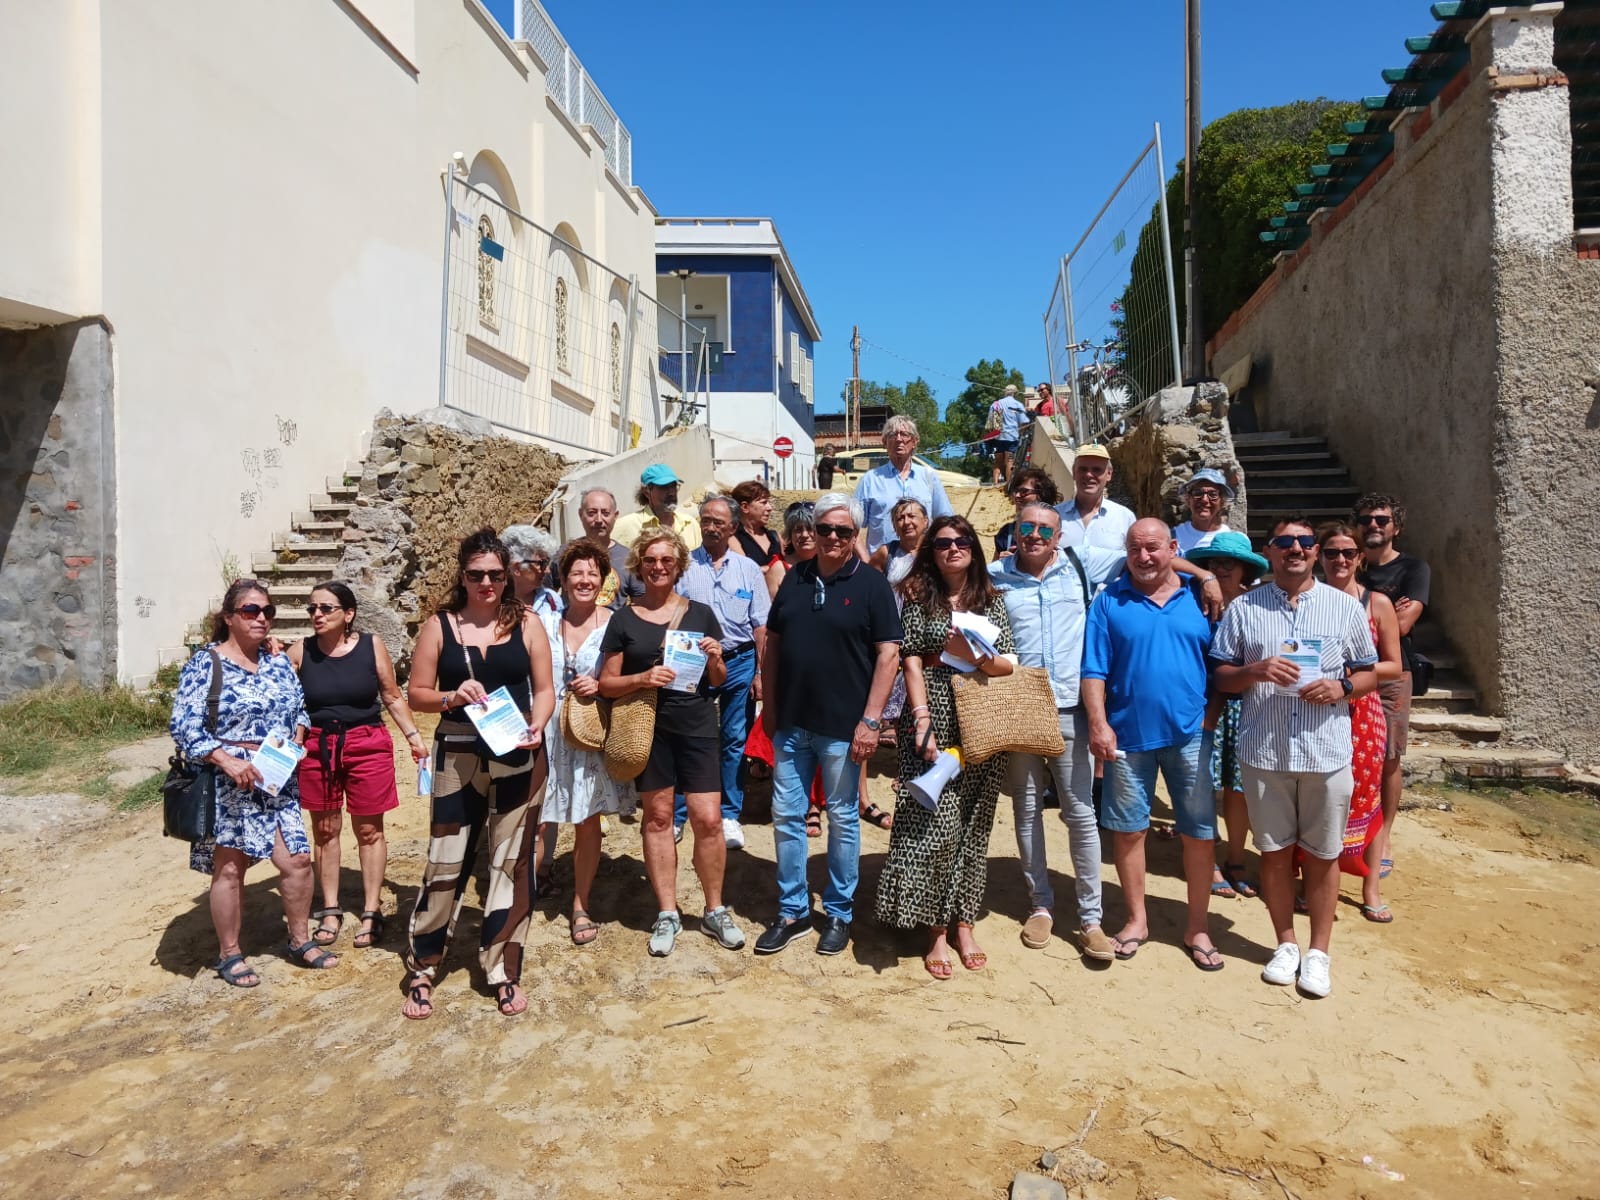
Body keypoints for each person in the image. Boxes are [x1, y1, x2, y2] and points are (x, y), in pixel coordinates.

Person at [1211, 516, 1380, 999]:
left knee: (1324, 855)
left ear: (1315, 551)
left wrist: (1342, 686)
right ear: (1270, 550)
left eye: (1306, 542)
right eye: (1285, 542)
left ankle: (1319, 952)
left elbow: (1370, 672)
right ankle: (1285, 943)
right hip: (1265, 751)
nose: (1296, 549)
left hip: (1326, 750)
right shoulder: (1245, 608)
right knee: (1275, 852)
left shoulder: (1343, 608)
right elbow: (1222, 676)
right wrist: (1255, 670)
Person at [401, 529, 556, 1019]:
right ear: (462, 576)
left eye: (495, 573)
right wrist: (451, 696)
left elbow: (546, 688)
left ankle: (502, 969)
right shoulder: (440, 626)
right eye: (476, 574)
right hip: (458, 753)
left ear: (508, 575)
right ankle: (424, 965)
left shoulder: (528, 622)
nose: (486, 582)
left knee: (511, 862)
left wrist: (539, 723)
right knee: (445, 860)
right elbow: (417, 694)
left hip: (517, 751)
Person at [757, 494, 903, 958]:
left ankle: (839, 911)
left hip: (845, 728)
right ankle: (793, 910)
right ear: (812, 532)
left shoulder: (872, 585)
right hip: (793, 723)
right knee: (786, 815)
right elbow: (774, 644)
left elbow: (889, 655)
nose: (833, 538)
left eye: (844, 531)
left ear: (856, 535)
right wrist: (772, 706)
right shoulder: (795, 579)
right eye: (825, 530)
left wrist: (871, 720)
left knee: (841, 817)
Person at [170, 579, 332, 988]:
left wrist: (297, 732)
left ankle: (299, 941)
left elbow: (299, 707)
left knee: (297, 861)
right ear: (229, 618)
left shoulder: (277, 661)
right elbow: (184, 726)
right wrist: (225, 759)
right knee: (230, 869)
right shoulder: (206, 664)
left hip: (277, 779)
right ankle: (230, 953)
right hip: (230, 784)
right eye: (250, 611)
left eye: (267, 611)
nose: (261, 617)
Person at [875, 515, 1016, 979]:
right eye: (941, 543)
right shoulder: (916, 596)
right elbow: (910, 660)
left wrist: (974, 653)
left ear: (973, 549)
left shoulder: (992, 601)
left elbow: (1006, 666)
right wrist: (921, 720)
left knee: (974, 827)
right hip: (932, 717)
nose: (952, 549)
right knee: (936, 826)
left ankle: (964, 922)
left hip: (980, 721)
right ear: (930, 552)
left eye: (960, 541)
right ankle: (935, 929)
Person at [989, 503, 1128, 962]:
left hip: (1070, 705)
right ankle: (1041, 904)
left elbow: (1146, 553)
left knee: (1080, 813)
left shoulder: (1080, 563)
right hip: (1021, 703)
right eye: (1025, 526)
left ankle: (1091, 918)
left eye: (1043, 529)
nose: (1033, 535)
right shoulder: (996, 574)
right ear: (1015, 527)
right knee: (1027, 811)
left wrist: (1206, 579)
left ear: (1058, 534)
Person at [1081, 519, 1222, 971]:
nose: (1144, 557)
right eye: (1135, 549)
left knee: (1198, 834)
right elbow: (1094, 671)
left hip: (1190, 738)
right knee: (1129, 831)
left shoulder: (1200, 600)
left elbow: (1223, 663)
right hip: (1127, 738)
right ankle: (1137, 919)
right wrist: (1099, 726)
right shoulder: (1109, 602)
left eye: (1153, 548)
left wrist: (1209, 719)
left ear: (1173, 548)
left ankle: (1197, 926)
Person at [599, 530, 743, 957]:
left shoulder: (700, 613)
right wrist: (643, 678)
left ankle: (715, 909)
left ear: (679, 565)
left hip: (698, 725)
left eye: (666, 560)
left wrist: (716, 658)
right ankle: (667, 912)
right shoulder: (623, 619)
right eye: (650, 560)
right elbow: (607, 684)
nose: (658, 567)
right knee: (659, 819)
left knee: (709, 820)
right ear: (638, 566)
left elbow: (716, 681)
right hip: (650, 729)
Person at [288, 582, 428, 952]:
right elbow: (277, 694)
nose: (317, 614)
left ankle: (371, 908)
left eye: (326, 608)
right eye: (312, 608)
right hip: (318, 746)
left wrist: (414, 737)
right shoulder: (300, 651)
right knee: (325, 829)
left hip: (366, 743)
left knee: (369, 829)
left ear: (348, 614)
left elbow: (391, 695)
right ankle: (330, 909)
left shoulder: (371, 646)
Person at [540, 541, 632, 947]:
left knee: (586, 818)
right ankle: (532, 884)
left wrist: (601, 684)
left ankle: (580, 903)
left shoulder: (616, 622)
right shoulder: (543, 623)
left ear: (604, 579)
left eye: (592, 573)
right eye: (576, 573)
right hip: (547, 729)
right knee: (538, 817)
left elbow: (627, 675)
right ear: (562, 580)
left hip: (590, 728)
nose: (584, 580)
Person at [1317, 522, 1403, 921]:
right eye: (1331, 552)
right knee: (1316, 795)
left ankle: (1370, 885)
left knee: (1365, 797)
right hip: (1316, 710)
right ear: (1319, 555)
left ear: (1359, 558)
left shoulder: (1377, 603)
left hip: (1361, 712)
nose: (1339, 559)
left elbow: (1393, 664)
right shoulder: (1307, 600)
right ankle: (1312, 881)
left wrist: (1349, 672)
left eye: (1347, 553)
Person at [673, 497, 769, 849]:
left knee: (733, 739)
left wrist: (761, 672)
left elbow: (761, 626)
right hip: (693, 663)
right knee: (688, 739)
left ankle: (729, 814)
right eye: (706, 520)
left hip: (740, 660)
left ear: (732, 528)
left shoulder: (748, 570)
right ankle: (679, 814)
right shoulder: (683, 567)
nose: (711, 527)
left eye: (718, 522)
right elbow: (672, 617)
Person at [1185, 532, 1269, 898]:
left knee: (1239, 789)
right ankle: (1209, 860)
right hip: (1204, 704)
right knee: (1202, 787)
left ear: (1244, 569)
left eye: (1228, 563)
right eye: (1213, 563)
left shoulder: (1259, 605)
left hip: (1249, 705)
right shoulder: (1195, 599)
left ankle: (1236, 857)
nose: (1220, 569)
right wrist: (1203, 579)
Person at [1353, 493, 1430, 882]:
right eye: (1366, 520)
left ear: (1395, 527)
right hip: (1348, 673)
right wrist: (1381, 612)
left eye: (1382, 520)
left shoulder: (1414, 569)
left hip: (1391, 677)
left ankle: (1382, 839)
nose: (1374, 526)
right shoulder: (1346, 562)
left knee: (1388, 758)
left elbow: (1398, 628)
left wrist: (1371, 613)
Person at [852, 416, 954, 558]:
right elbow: (851, 526)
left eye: (905, 434)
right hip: (881, 567)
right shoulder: (871, 479)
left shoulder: (929, 477)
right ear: (884, 442)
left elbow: (946, 522)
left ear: (915, 441)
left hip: (922, 564)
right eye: (893, 435)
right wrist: (867, 562)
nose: (899, 439)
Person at [1057, 444, 1136, 553]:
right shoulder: (1055, 516)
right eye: (1083, 469)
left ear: (1109, 474)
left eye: (1097, 470)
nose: (1089, 475)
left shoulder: (1125, 518)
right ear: (1074, 473)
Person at [611, 463, 702, 552]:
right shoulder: (627, 525)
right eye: (664, 487)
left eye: (673, 486)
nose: (671, 492)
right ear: (646, 492)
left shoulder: (690, 524)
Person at [569, 487, 631, 609]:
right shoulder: (565, 554)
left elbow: (640, 604)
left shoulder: (629, 558)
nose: (598, 520)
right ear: (581, 514)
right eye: (591, 513)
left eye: (605, 513)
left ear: (615, 515)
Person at [728, 479, 786, 600]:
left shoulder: (774, 537)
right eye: (763, 503)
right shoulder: (733, 538)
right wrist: (774, 570)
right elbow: (744, 571)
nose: (769, 508)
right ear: (745, 507)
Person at [992, 468, 1062, 558]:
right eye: (1016, 491)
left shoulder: (1057, 529)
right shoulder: (1007, 532)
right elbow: (990, 569)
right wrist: (1002, 564)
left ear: (1041, 495)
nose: (1017, 496)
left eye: (1024, 492)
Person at [503, 524, 562, 617]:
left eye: (547, 563)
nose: (547, 571)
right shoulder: (495, 604)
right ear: (517, 568)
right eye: (541, 564)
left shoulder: (552, 600)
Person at [1174, 468, 1234, 555]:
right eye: (1198, 493)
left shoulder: (1232, 540)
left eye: (1213, 494)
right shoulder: (1173, 536)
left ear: (1222, 501)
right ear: (1188, 499)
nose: (1204, 500)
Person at [987, 384, 1031, 487]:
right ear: (1015, 393)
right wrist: (1021, 433)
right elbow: (1024, 422)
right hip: (1012, 437)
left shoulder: (996, 404)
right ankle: (1008, 484)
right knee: (1009, 461)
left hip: (998, 437)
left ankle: (995, 483)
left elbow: (990, 422)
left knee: (998, 460)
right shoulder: (1017, 404)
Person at [782, 502, 818, 569]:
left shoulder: (832, 562)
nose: (804, 535)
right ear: (790, 534)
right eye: (798, 529)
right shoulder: (780, 568)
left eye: (810, 528)